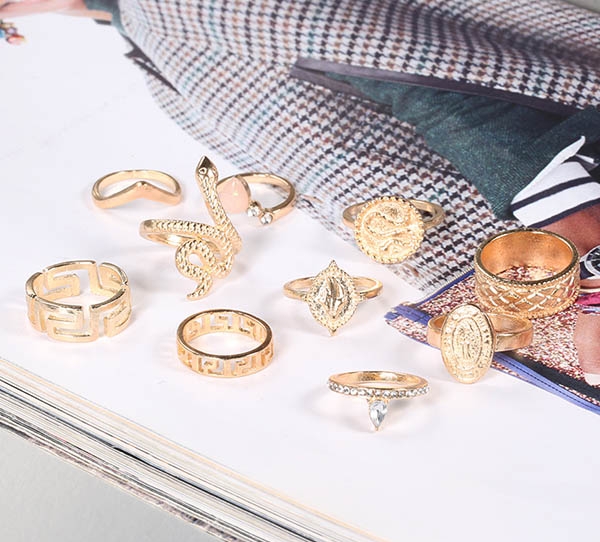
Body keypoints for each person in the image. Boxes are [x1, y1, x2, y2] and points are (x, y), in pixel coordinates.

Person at [3, 0, 600, 386]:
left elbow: (421, 76)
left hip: (560, 207)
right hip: (507, 252)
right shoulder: (145, 24)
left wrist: (582, 253)